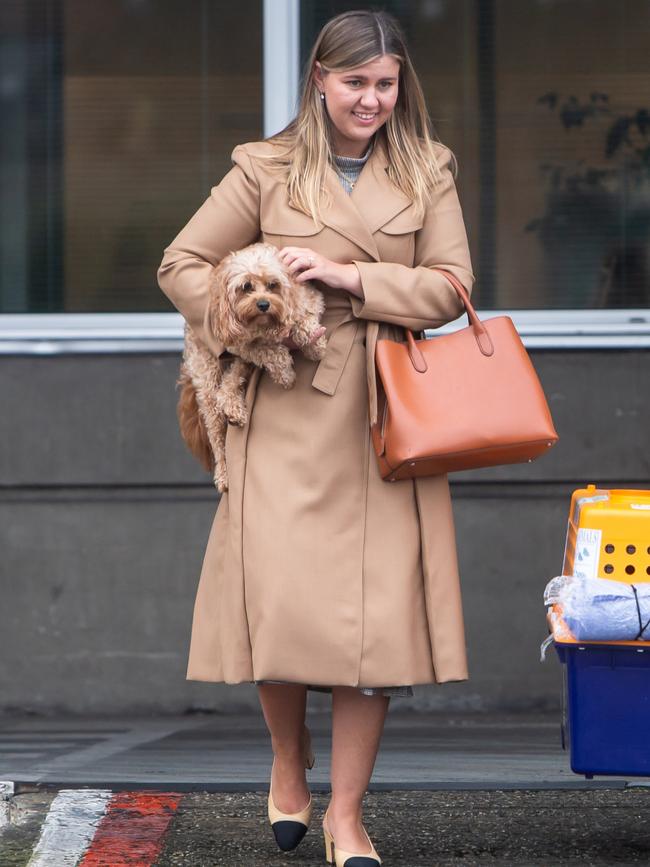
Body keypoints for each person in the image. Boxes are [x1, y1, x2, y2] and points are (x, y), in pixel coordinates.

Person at [157, 9, 474, 865]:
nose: (372, 100)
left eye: (386, 83)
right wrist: (246, 324)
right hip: (285, 411)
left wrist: (349, 276)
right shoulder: (261, 168)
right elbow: (181, 263)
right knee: (285, 604)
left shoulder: (426, 166)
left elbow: (452, 287)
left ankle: (347, 814)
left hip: (383, 415)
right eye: (356, 84)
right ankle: (288, 766)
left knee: (373, 628)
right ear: (320, 82)